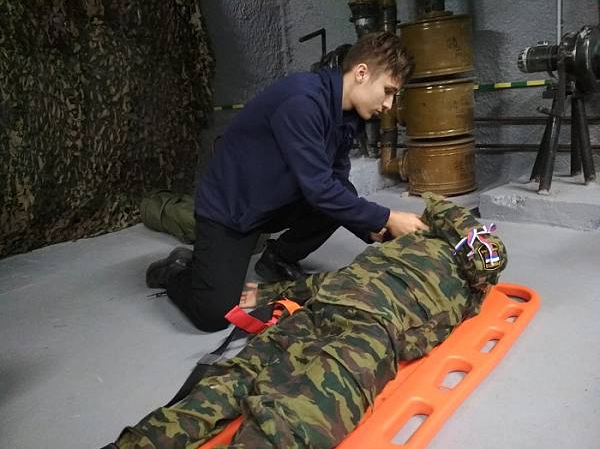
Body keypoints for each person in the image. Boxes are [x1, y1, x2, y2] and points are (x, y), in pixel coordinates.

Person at [104, 193, 507, 449]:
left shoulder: (437, 255)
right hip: (359, 327)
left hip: (350, 318)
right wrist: (267, 294)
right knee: (275, 409)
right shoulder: (436, 267)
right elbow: (336, 282)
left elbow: (334, 280)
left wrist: (270, 293)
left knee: (252, 395)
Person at [145, 31, 428, 333]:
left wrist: (373, 228)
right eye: (387, 91)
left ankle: (277, 259)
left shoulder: (349, 116)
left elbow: (335, 181)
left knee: (342, 193)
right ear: (361, 73)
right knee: (213, 315)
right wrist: (387, 217)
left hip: (276, 199)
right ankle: (175, 270)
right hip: (232, 210)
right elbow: (319, 190)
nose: (389, 104)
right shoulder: (302, 101)